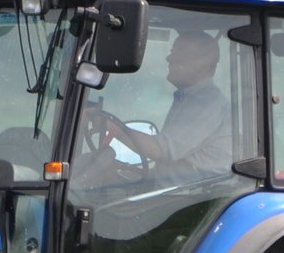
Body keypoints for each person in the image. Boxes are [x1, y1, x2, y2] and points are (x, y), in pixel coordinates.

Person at [91, 30, 230, 184]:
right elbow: (175, 168)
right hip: (179, 192)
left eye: (179, 53)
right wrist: (128, 171)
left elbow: (162, 150)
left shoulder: (206, 104)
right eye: (172, 52)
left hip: (193, 198)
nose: (169, 58)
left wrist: (109, 125)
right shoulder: (189, 98)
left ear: (201, 63)